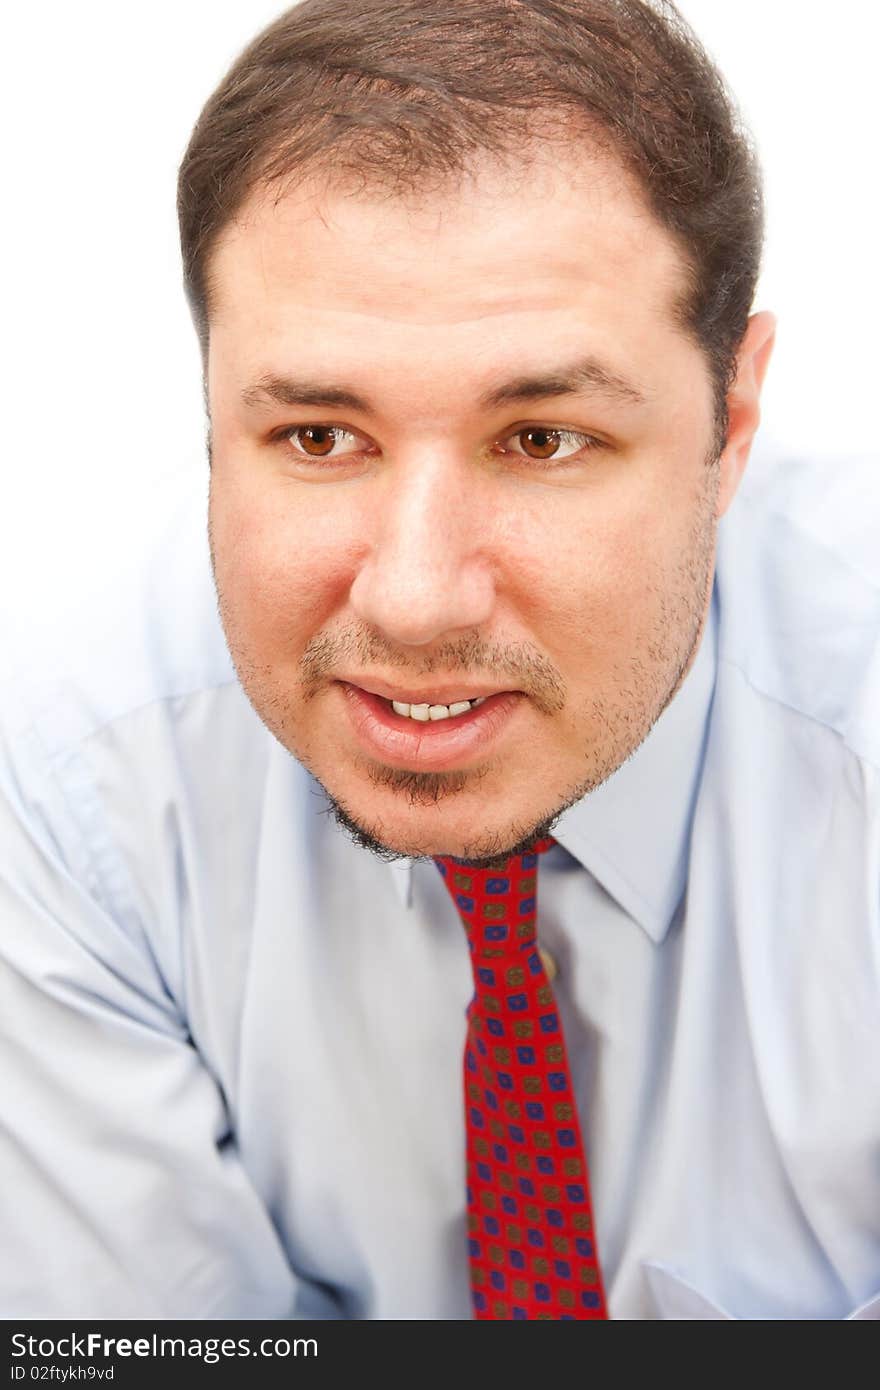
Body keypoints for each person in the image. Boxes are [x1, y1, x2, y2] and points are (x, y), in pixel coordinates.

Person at [1, 0, 878, 1321]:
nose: (414, 599)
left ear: (733, 422)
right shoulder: (71, 780)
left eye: (541, 441)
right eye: (315, 438)